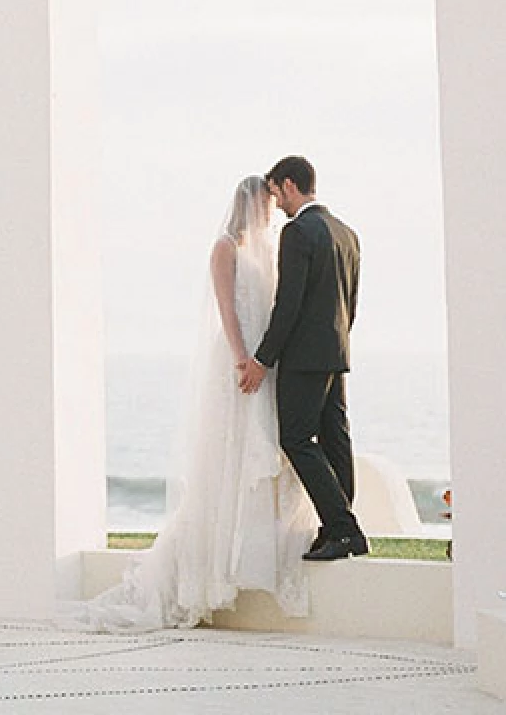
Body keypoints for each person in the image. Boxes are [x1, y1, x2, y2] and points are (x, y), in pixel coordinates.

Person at [62, 175, 316, 631]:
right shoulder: (226, 247)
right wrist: (242, 357)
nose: (269, 211)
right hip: (240, 358)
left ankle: (251, 554)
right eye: (264, 203)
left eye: (272, 203)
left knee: (263, 452)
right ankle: (207, 569)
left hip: (266, 361)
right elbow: (227, 307)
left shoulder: (270, 248)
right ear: (247, 204)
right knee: (231, 452)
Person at [237, 154, 366, 562]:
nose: (276, 203)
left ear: (289, 184)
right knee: (335, 439)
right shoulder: (347, 233)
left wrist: (262, 359)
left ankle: (344, 530)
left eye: (276, 192)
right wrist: (336, 343)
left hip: (303, 359)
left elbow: (287, 304)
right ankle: (337, 528)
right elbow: (351, 302)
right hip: (335, 351)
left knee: (296, 439)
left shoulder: (298, 232)